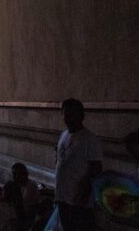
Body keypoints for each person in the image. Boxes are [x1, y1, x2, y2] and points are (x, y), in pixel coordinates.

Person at [54, 98, 102, 231]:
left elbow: (96, 169)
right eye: (65, 114)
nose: (68, 118)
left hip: (79, 200)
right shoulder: (64, 135)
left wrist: (84, 194)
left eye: (72, 114)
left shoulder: (90, 139)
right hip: (63, 196)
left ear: (81, 115)